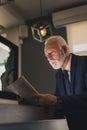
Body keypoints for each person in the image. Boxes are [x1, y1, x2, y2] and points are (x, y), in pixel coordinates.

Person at [33, 35, 87, 130]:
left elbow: (59, 100)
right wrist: (38, 102)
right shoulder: (59, 75)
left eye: (52, 53)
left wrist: (56, 100)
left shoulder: (85, 63)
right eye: (46, 55)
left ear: (65, 50)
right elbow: (59, 101)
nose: (49, 58)